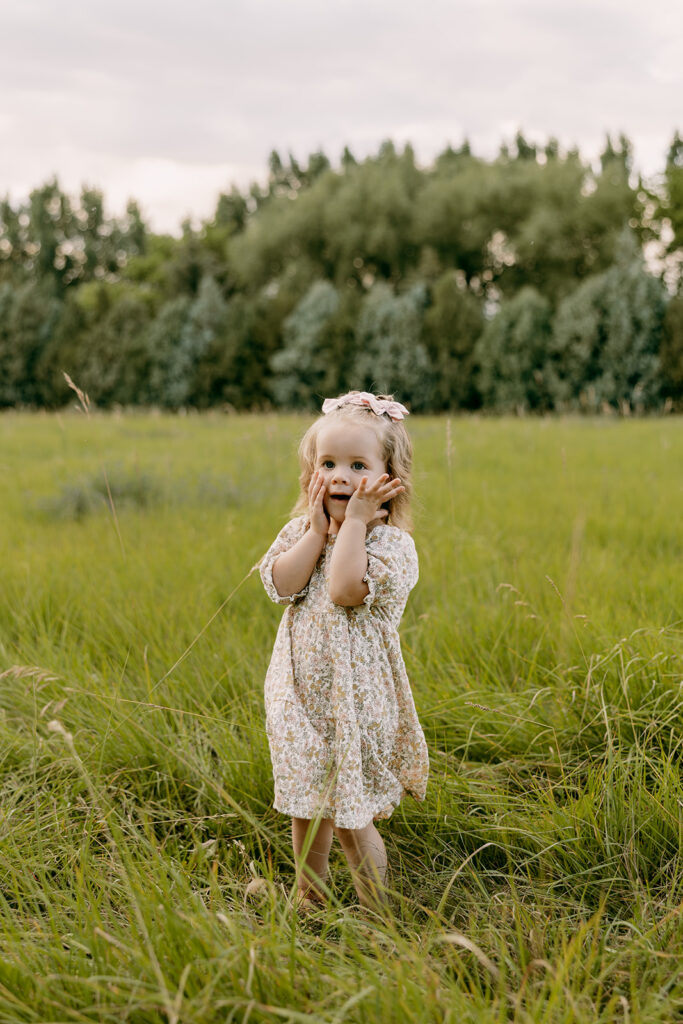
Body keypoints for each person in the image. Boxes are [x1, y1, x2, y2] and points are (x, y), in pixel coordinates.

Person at [258, 390, 429, 912]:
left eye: (358, 465)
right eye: (328, 463)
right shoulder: (301, 533)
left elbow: (343, 590)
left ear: (388, 479)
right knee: (306, 805)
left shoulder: (391, 547)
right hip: (301, 700)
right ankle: (309, 896)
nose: (339, 476)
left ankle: (379, 915)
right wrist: (316, 532)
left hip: (357, 705)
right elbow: (282, 585)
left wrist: (353, 524)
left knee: (352, 817)